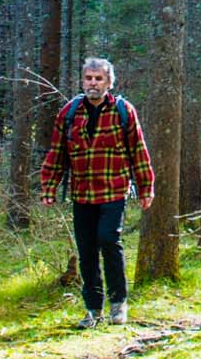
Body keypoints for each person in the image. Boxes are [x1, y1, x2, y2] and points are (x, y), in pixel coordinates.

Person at [39, 57, 154, 328]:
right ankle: (93, 309)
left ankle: (118, 303)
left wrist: (145, 187)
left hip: (114, 190)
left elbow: (139, 151)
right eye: (89, 78)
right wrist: (49, 186)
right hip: (82, 193)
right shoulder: (69, 113)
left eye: (99, 78)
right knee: (86, 250)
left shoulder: (123, 111)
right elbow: (57, 153)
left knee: (108, 240)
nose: (93, 83)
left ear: (109, 82)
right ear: (82, 81)